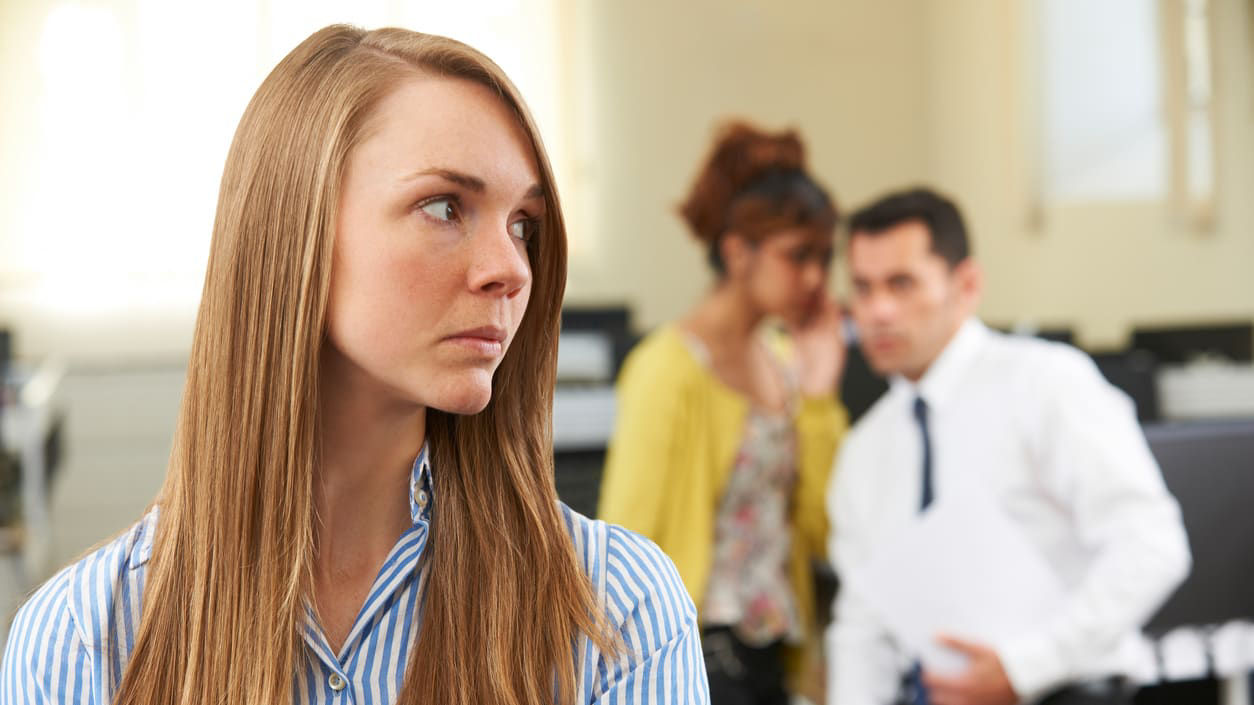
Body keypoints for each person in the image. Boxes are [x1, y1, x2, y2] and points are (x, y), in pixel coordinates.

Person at [0, 25, 708, 705]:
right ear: (294, 232)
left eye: (523, 224)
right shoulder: (83, 640)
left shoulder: (616, 613)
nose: (511, 268)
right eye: (443, 206)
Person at [824, 187, 1191, 705]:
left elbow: (1152, 546)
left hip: (1068, 691)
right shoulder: (863, 452)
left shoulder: (1046, 384)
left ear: (967, 285)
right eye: (862, 289)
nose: (879, 310)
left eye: (902, 284)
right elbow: (862, 629)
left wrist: (1024, 667)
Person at [598, 122, 848, 704]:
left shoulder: (788, 364)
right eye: (798, 255)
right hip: (691, 651)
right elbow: (625, 537)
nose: (815, 277)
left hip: (774, 649)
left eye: (824, 257)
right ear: (738, 252)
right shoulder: (668, 369)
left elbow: (823, 528)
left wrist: (818, 396)